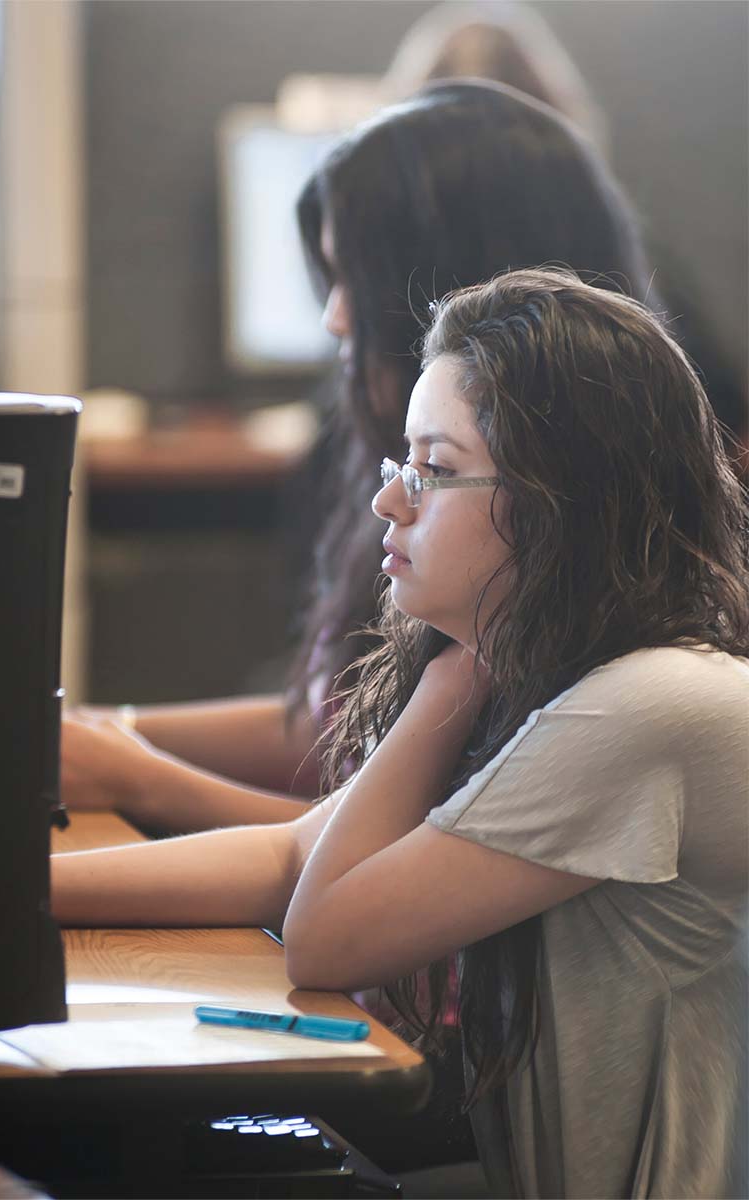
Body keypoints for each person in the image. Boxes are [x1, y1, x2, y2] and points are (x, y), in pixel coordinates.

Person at [55, 267, 749, 1198]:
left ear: (561, 503)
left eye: (438, 468)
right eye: (402, 463)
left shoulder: (645, 706)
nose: (392, 501)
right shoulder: (567, 669)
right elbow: (295, 855)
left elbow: (327, 936)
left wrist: (446, 682)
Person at [62, 80, 655, 834]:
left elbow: (370, 857)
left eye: (352, 277)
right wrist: (109, 735)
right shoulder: (413, 479)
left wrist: (134, 773)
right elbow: (337, 728)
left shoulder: (524, 583)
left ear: (455, 283)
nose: (333, 316)